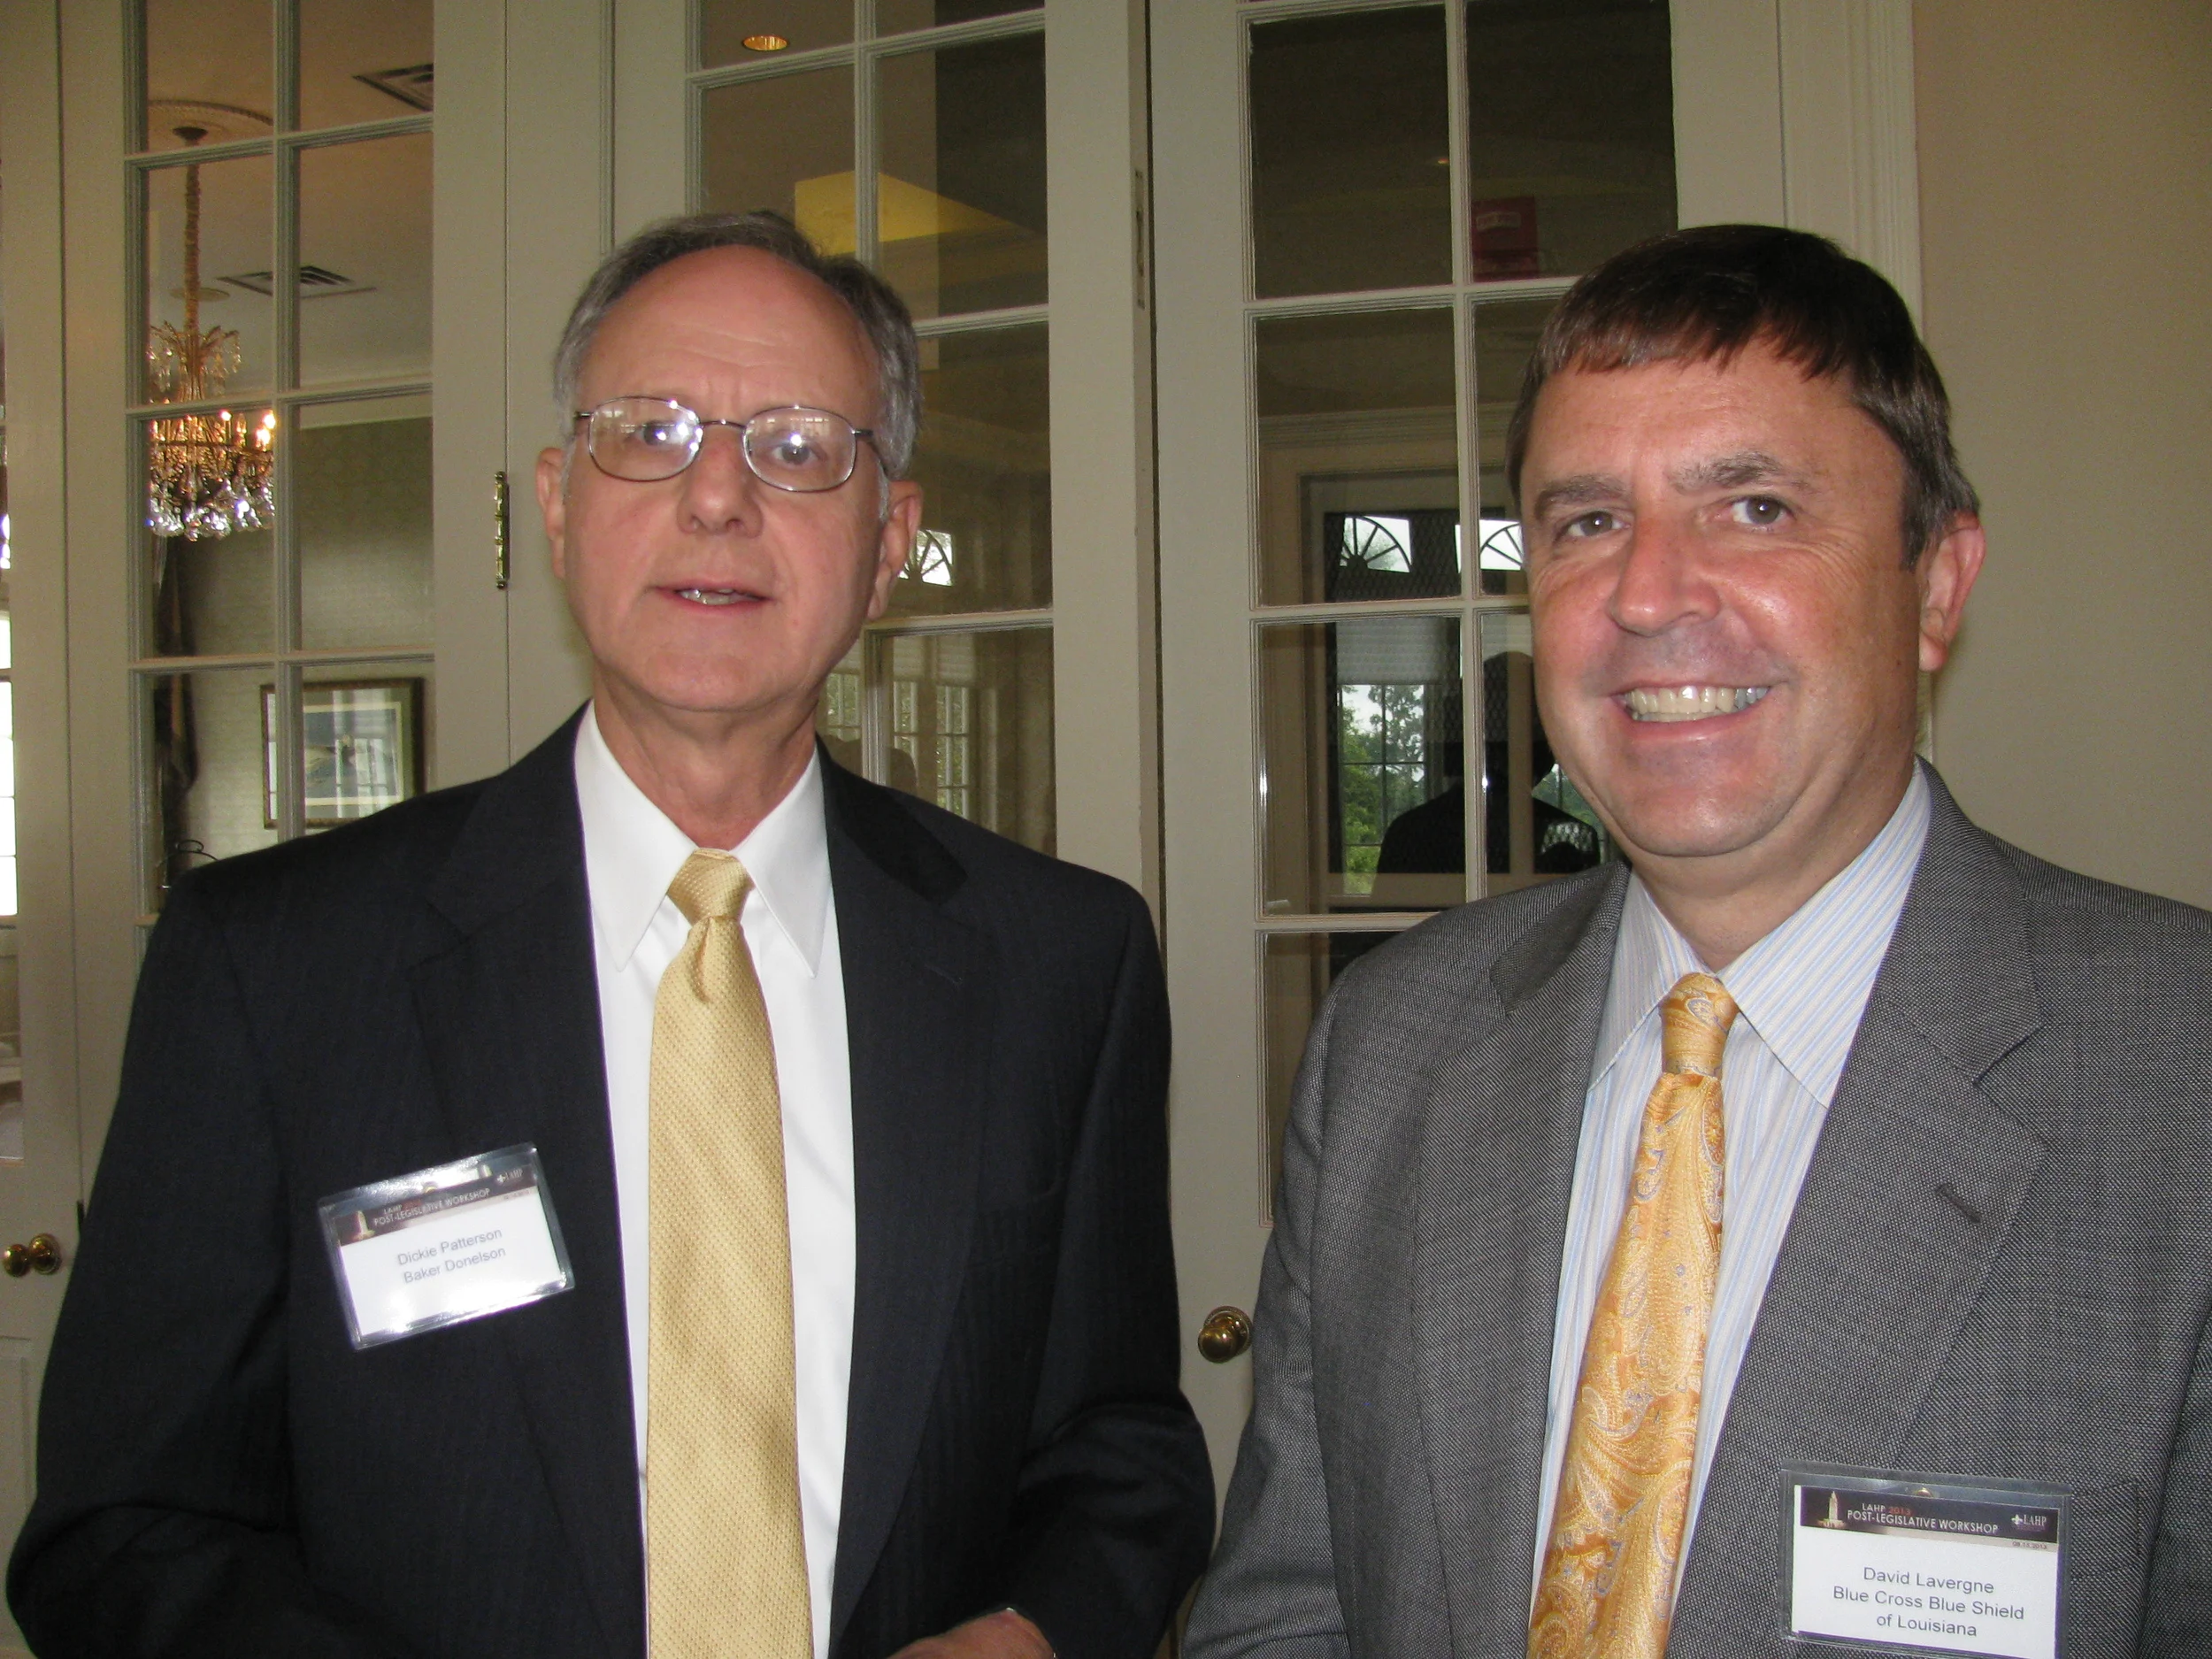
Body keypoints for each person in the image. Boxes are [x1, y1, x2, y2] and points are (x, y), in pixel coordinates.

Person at [12, 211, 1212, 1659]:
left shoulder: (1060, 962)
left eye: (795, 446)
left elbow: (1121, 1448)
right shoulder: (272, 968)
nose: (717, 496)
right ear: (559, 505)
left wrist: (1029, 1634)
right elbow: (122, 1528)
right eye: (649, 431)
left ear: (888, 541)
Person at [1186, 224, 2212, 1656]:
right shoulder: (1395, 1043)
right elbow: (1289, 1607)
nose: (1649, 594)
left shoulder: (2183, 1084)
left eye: (1753, 508)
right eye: (1586, 521)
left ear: (1936, 586)